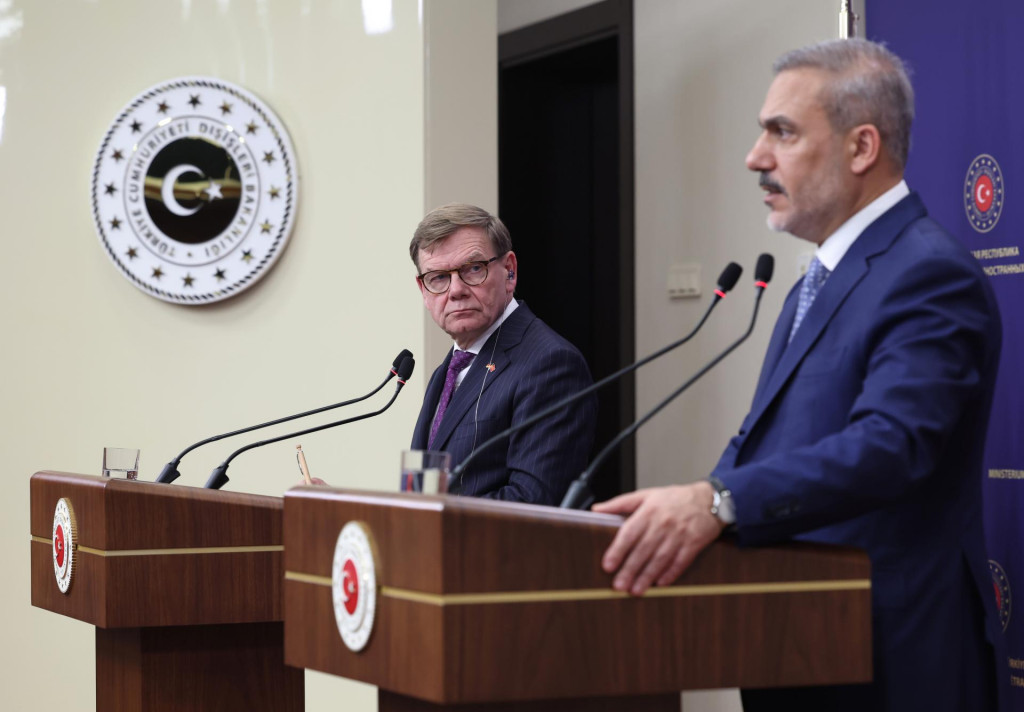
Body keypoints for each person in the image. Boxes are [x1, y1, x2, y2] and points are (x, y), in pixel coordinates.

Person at [595, 39, 1001, 710]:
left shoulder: (929, 274)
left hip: (894, 662)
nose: (755, 157)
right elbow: (772, 441)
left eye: (781, 132)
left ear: (861, 147)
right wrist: (697, 502)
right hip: (803, 647)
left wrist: (718, 502)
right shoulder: (816, 281)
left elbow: (890, 446)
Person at [409, 203, 597, 504]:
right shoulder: (448, 370)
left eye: (473, 269)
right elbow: (426, 496)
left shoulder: (551, 364)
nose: (455, 290)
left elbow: (533, 502)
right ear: (423, 290)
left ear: (509, 271)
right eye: (438, 278)